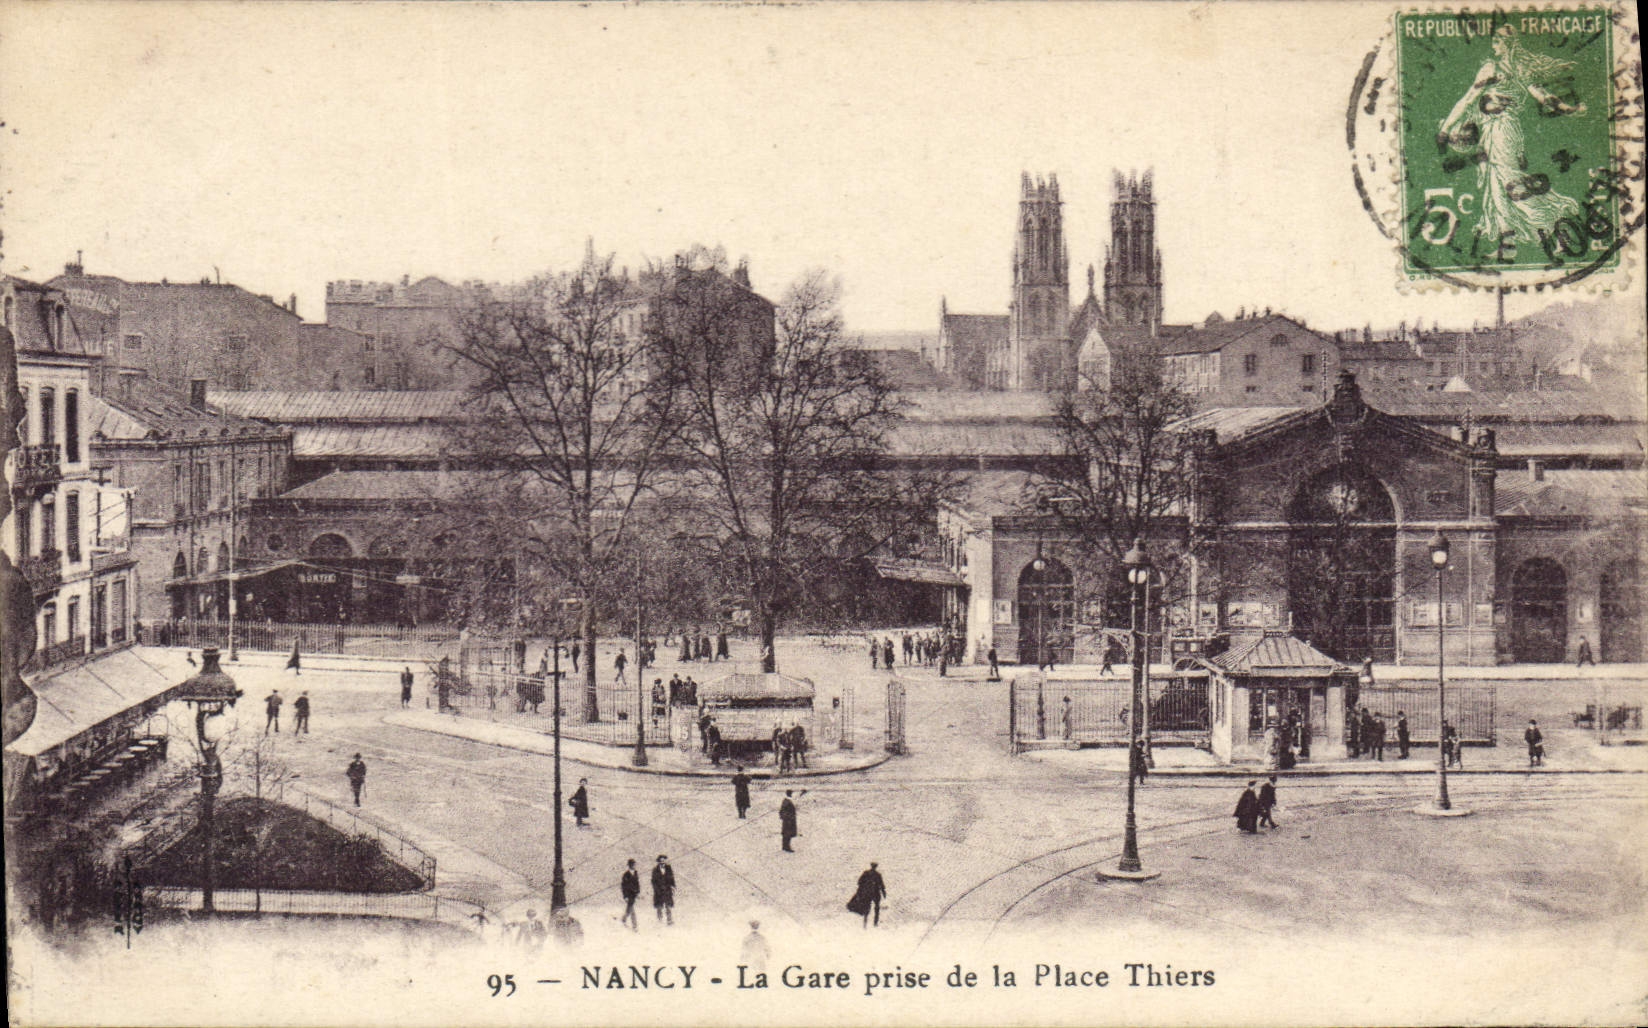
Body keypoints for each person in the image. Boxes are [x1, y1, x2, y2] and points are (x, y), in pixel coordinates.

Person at [847, 862, 888, 928]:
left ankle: (865, 923)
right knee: (876, 908)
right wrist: (884, 893)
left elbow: (859, 882)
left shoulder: (866, 873)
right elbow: (881, 885)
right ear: (875, 867)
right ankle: (875, 923)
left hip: (868, 893)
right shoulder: (878, 875)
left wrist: (863, 889)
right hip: (875, 893)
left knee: (867, 907)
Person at [651, 855, 675, 925]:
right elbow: (653, 881)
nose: (662, 862)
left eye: (663, 860)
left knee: (668, 905)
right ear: (658, 862)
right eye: (661, 861)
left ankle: (669, 920)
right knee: (659, 906)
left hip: (667, 890)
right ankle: (660, 920)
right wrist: (656, 890)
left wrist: (673, 886)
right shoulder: (655, 870)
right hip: (659, 891)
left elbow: (672, 878)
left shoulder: (669, 868)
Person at [619, 859, 641, 932]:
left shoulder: (635, 873)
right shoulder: (626, 875)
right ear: (630, 865)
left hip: (634, 895)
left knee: (629, 909)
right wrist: (625, 896)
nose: (634, 866)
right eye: (633, 864)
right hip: (629, 895)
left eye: (635, 864)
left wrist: (638, 892)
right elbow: (624, 887)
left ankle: (623, 919)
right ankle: (635, 926)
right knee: (632, 911)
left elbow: (637, 884)